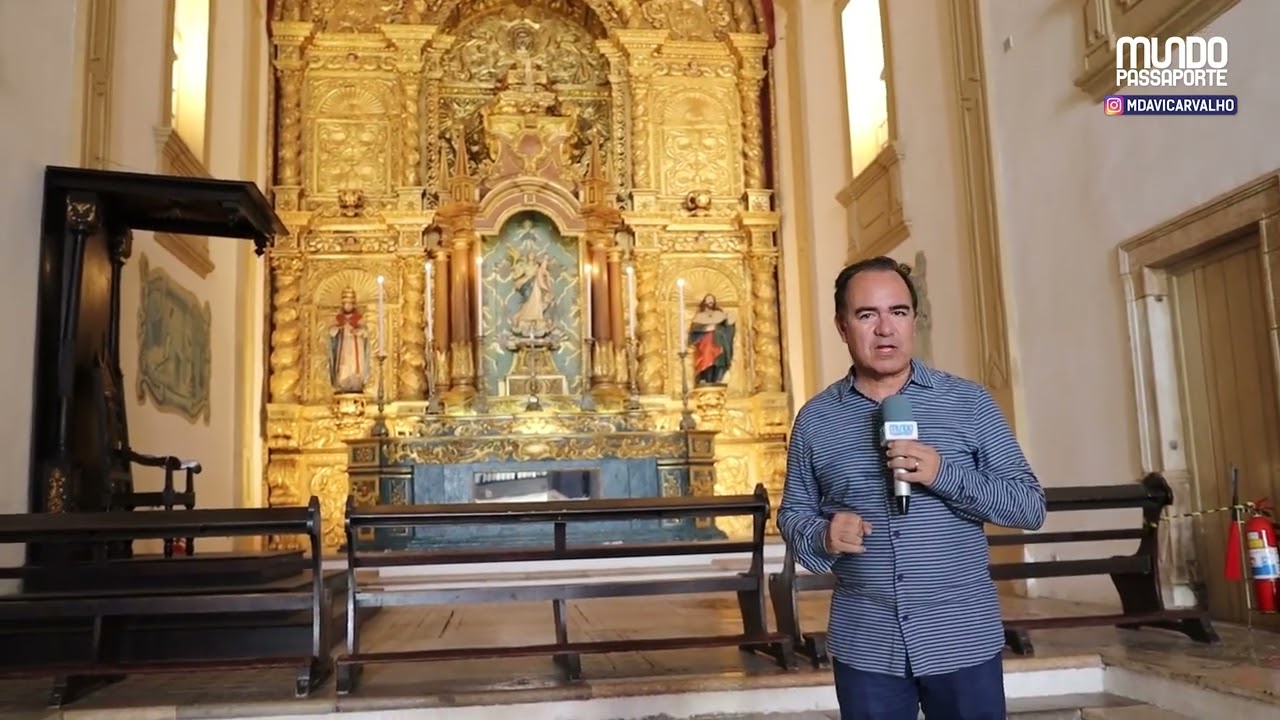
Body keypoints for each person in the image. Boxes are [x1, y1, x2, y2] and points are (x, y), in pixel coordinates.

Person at [777, 256, 1046, 720]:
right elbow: (793, 514)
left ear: (914, 320)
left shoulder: (968, 402)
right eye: (867, 314)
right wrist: (823, 535)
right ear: (842, 327)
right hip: (867, 644)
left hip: (961, 637)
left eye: (898, 312)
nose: (885, 329)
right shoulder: (816, 420)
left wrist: (944, 474)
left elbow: (1029, 506)